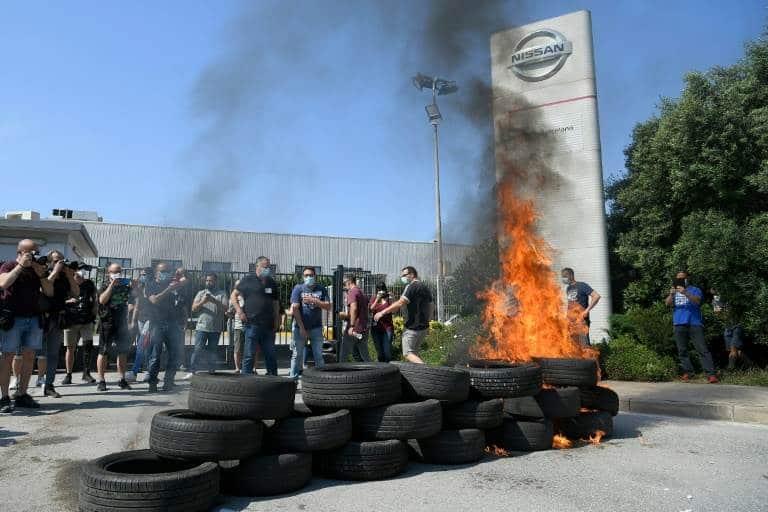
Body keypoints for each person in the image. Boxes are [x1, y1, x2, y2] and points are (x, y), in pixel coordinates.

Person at [0, 239, 54, 411]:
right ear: (21, 252)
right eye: (32, 252)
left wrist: (42, 274)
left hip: (33, 319)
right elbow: (4, 283)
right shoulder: (8, 265)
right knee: (7, 357)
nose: (35, 256)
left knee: (30, 356)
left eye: (37, 252)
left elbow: (49, 291)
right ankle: (4, 397)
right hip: (13, 319)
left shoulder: (37, 270)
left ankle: (22, 394)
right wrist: (20, 266)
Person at [36, 250, 80, 398]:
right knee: (31, 353)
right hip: (41, 319)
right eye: (56, 261)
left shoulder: (65, 276)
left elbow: (76, 293)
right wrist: (54, 271)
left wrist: (69, 275)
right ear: (50, 262)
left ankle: (49, 385)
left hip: (57, 319)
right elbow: (45, 290)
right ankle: (20, 386)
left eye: (61, 260)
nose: (60, 263)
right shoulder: (42, 272)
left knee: (53, 354)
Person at [665, 270, 718, 383]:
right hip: (679, 322)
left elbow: (698, 301)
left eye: (682, 278)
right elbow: (667, 304)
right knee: (682, 350)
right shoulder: (674, 291)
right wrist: (671, 294)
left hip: (694, 322)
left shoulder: (695, 290)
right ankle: (688, 372)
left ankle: (711, 374)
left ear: (687, 278)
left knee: (702, 349)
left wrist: (685, 293)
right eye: (678, 278)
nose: (680, 280)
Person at [373, 266, 433, 364]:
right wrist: (428, 320)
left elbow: (401, 302)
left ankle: (427, 372)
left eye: (404, 275)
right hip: (423, 328)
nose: (402, 278)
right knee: (414, 354)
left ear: (412, 275)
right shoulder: (424, 287)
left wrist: (382, 312)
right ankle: (419, 376)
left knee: (407, 353)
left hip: (412, 327)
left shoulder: (411, 286)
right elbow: (431, 305)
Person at [231, 256, 279, 376]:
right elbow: (233, 296)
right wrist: (240, 312)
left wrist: (277, 319)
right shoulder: (248, 280)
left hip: (268, 325)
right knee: (249, 355)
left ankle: (273, 379)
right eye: (265, 267)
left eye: (269, 267)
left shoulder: (271, 282)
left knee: (271, 354)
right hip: (252, 324)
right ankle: (246, 381)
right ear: (257, 266)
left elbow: (276, 303)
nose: (267, 269)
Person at [144, 262, 188, 392]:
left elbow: (186, 282)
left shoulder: (175, 285)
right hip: (157, 323)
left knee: (175, 354)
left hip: (173, 323)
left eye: (168, 271)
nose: (166, 273)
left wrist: (180, 278)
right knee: (155, 355)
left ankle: (169, 381)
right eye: (163, 271)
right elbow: (154, 300)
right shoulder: (151, 285)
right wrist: (169, 289)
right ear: (157, 272)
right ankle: (152, 382)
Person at [289, 267, 331, 380]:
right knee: (297, 355)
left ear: (315, 276)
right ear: (303, 277)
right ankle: (292, 380)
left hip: (316, 327)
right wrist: (302, 328)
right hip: (300, 327)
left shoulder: (321, 289)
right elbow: (295, 308)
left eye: (311, 275)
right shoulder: (298, 288)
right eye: (306, 275)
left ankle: (322, 379)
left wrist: (315, 301)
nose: (308, 277)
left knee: (318, 355)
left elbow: (328, 306)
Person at [96, 263, 133, 391]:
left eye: (118, 272)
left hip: (121, 322)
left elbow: (133, 299)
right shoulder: (104, 285)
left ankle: (122, 379)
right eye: (114, 272)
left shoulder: (125, 286)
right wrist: (112, 284)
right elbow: (102, 300)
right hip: (107, 322)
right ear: (108, 273)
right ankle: (101, 380)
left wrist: (135, 286)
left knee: (122, 351)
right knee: (104, 351)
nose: (116, 274)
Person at [186, 273, 228, 378]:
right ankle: (192, 370)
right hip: (202, 327)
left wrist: (214, 301)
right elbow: (193, 308)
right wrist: (203, 301)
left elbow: (226, 309)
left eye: (211, 281)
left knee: (212, 350)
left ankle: (211, 370)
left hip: (215, 328)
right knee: (198, 349)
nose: (209, 282)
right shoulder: (201, 293)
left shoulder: (222, 294)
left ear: (216, 281)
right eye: (207, 281)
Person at [62, 270, 98, 384]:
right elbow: (58, 300)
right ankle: (68, 374)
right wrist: (68, 301)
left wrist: (95, 311)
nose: (80, 278)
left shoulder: (89, 284)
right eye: (78, 276)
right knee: (70, 348)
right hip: (71, 320)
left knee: (88, 345)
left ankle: (86, 373)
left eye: (82, 276)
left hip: (86, 320)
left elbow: (95, 297)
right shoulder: (66, 284)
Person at [560, 267, 601, 346]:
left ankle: (589, 358)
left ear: (571, 275)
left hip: (581, 321)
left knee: (584, 345)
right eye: (562, 277)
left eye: (565, 276)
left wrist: (586, 311)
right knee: (573, 345)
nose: (563, 279)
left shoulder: (582, 285)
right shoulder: (568, 288)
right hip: (570, 321)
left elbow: (596, 296)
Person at [712, 294, 753, 371]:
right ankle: (750, 364)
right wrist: (719, 310)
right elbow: (718, 314)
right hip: (727, 328)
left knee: (733, 349)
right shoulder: (716, 299)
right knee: (735, 351)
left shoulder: (731, 293)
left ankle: (730, 369)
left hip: (737, 325)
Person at [125, 267, 152, 383]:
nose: (142, 276)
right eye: (141, 274)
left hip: (150, 319)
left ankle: (136, 372)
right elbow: (132, 303)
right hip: (140, 319)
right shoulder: (138, 287)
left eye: (145, 274)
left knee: (142, 344)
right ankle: (149, 371)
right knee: (145, 346)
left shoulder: (153, 287)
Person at [338, 274, 370, 363]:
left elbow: (354, 308)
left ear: (348, 282)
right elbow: (362, 310)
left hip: (354, 328)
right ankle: (374, 372)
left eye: (344, 284)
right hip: (363, 327)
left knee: (344, 354)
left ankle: (339, 374)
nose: (345, 287)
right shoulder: (361, 292)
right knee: (364, 354)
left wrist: (351, 326)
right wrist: (346, 315)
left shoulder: (352, 292)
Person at [369, 282, 394, 363]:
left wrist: (392, 299)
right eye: (379, 289)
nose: (381, 291)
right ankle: (381, 367)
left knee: (387, 351)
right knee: (379, 351)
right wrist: (377, 299)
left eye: (382, 289)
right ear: (377, 289)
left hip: (387, 328)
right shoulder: (374, 298)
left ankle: (388, 366)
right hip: (376, 328)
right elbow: (371, 309)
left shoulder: (388, 298)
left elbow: (394, 310)